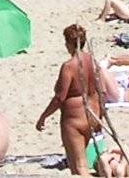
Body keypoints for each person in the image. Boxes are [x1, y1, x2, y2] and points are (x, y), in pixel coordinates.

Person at [36, 25, 103, 176]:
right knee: (82, 162)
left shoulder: (69, 66)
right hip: (93, 114)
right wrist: (101, 116)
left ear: (69, 42)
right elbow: (101, 91)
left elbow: (60, 97)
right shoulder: (93, 61)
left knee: (79, 167)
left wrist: (43, 116)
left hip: (75, 118)